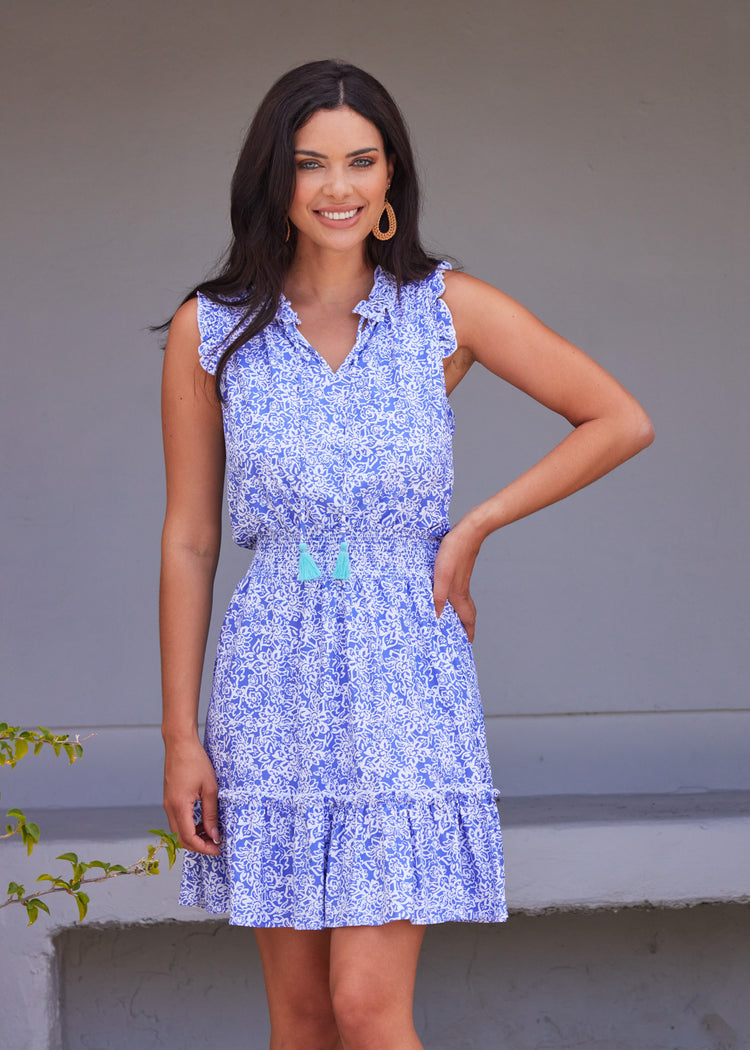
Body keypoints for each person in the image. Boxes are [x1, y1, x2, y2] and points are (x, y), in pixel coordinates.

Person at [159, 59, 653, 1050]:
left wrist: (474, 525)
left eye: (361, 161)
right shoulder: (211, 330)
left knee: (367, 1009)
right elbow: (190, 538)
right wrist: (180, 736)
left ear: (391, 180)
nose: (338, 186)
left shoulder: (444, 308)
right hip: (271, 675)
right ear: (275, 180)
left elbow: (618, 419)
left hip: (403, 672)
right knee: (299, 1020)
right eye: (311, 164)